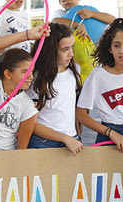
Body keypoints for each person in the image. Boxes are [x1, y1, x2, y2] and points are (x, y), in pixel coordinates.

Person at [76, 18, 123, 152]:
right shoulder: (98, 75)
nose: (122, 51)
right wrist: (110, 133)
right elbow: (80, 114)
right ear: (109, 48)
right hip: (108, 136)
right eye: (116, 45)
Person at [27, 23, 84, 154]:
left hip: (72, 140)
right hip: (43, 143)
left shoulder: (74, 72)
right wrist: (65, 138)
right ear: (50, 50)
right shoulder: (35, 78)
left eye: (72, 48)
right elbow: (30, 122)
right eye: (65, 49)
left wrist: (75, 137)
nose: (71, 54)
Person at [51, 0, 115, 41]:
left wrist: (92, 14)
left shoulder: (88, 11)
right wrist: (78, 25)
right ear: (59, 1)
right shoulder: (60, 13)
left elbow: (113, 20)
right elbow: (54, 21)